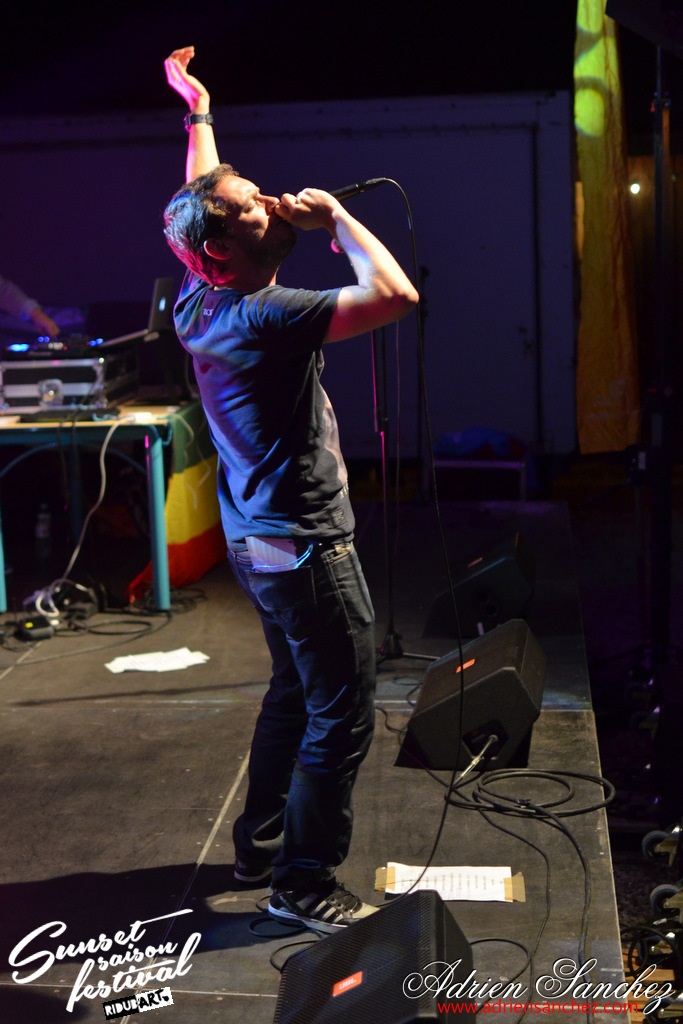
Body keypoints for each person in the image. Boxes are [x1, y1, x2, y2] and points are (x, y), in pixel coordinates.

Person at [163, 46, 418, 933]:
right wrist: (339, 219)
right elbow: (394, 295)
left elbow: (201, 196)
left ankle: (260, 848)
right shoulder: (266, 313)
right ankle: (303, 883)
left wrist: (197, 112)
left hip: (258, 539)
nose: (270, 200)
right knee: (342, 714)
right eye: (252, 205)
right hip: (306, 543)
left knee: (291, 691)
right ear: (222, 251)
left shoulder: (198, 296)